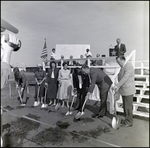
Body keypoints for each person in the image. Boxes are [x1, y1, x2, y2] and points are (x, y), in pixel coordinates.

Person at [112, 56, 136, 127]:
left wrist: (118, 86)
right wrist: (116, 86)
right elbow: (120, 78)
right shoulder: (122, 67)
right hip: (124, 90)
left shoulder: (128, 66)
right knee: (125, 106)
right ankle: (127, 120)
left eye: (119, 62)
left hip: (128, 90)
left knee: (128, 107)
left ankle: (129, 122)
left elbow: (125, 77)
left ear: (123, 60)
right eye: (117, 62)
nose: (118, 63)